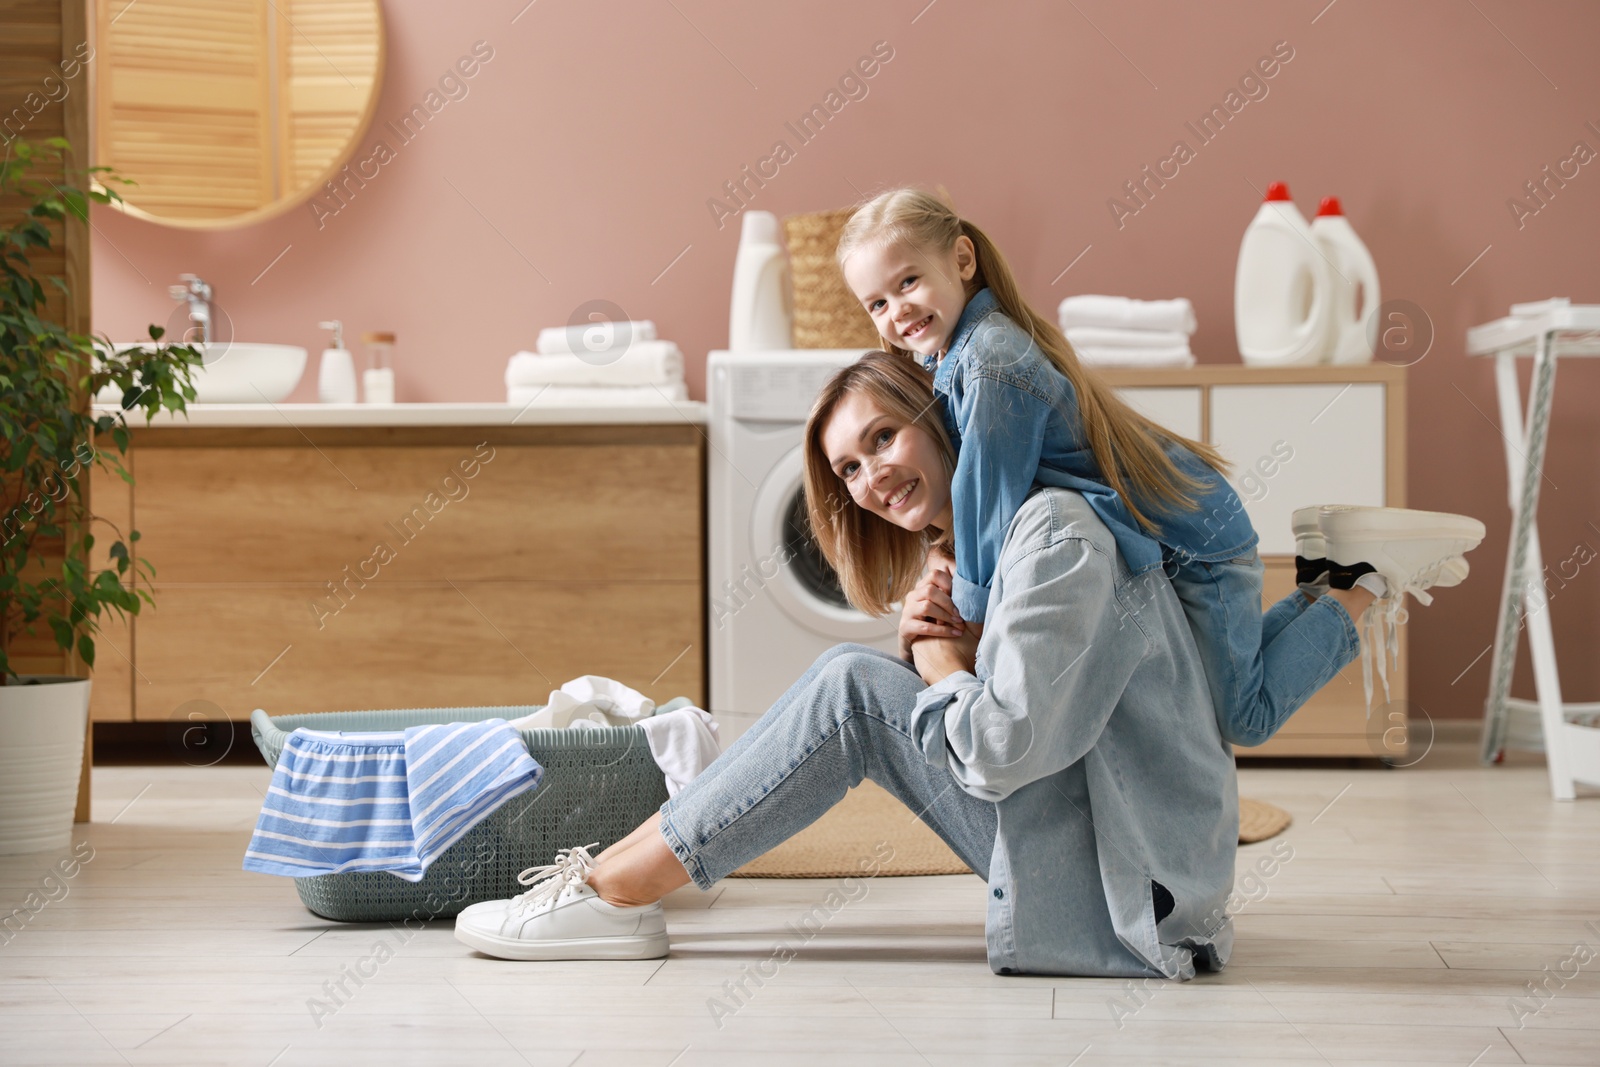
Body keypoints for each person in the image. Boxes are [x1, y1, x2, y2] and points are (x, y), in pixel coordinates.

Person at [456, 351, 1241, 979]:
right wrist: (955, 652)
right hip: (1110, 858)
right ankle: (601, 880)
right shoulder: (1004, 544)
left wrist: (937, 657)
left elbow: (1000, 753)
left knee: (852, 689)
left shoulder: (1054, 531)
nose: (871, 478)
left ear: (942, 417)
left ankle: (615, 893)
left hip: (1127, 900)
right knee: (856, 685)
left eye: (882, 438)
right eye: (848, 470)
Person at [835, 186, 1485, 737]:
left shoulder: (992, 360)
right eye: (878, 303)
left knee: (1244, 715)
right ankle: (1336, 579)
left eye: (909, 281)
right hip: (1184, 524)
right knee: (1237, 675)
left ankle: (1362, 583)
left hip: (1195, 538)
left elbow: (988, 494)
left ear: (963, 258)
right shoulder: (958, 354)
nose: (898, 312)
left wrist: (969, 615)